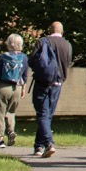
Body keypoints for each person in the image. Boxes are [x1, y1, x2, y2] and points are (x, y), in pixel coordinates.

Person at [29, 21, 72, 158]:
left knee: (42, 113)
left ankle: (48, 143)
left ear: (50, 30)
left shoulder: (42, 42)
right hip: (57, 83)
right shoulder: (67, 45)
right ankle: (39, 146)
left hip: (42, 82)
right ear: (62, 31)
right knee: (47, 115)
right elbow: (68, 62)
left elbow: (32, 61)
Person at [0, 33, 29, 148]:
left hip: (3, 87)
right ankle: (11, 131)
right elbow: (24, 75)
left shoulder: (4, 56)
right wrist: (23, 89)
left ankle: (0, 139)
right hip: (17, 88)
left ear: (10, 44)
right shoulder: (24, 57)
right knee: (11, 111)